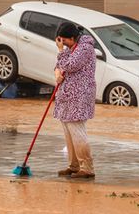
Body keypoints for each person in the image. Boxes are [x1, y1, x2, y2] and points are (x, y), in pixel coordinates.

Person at [54, 22, 96, 179]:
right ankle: (74, 165)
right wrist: (57, 72)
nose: (63, 44)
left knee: (77, 131)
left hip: (79, 96)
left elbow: (70, 65)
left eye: (64, 41)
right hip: (66, 96)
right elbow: (59, 65)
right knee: (68, 131)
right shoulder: (72, 49)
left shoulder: (85, 48)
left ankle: (87, 167)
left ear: (72, 37)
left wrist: (60, 51)